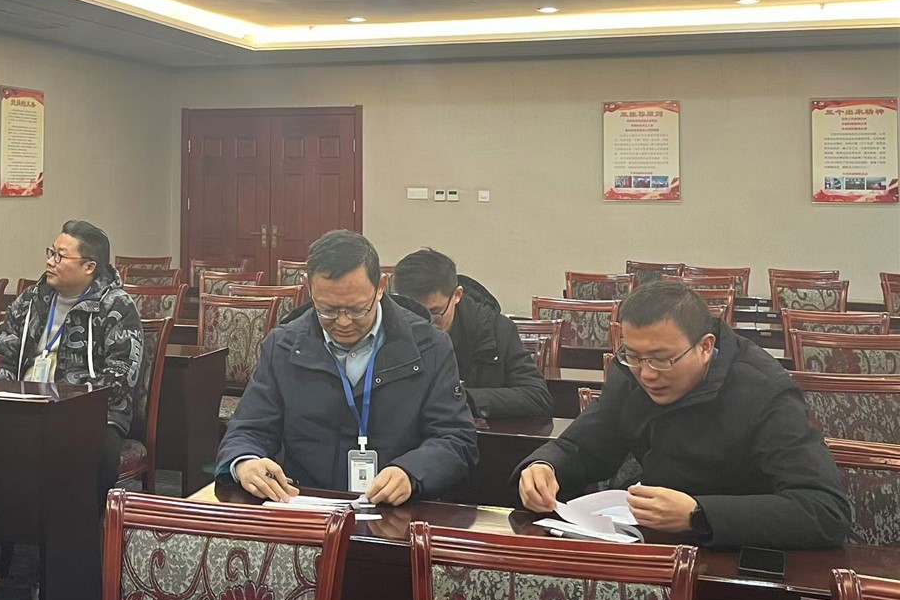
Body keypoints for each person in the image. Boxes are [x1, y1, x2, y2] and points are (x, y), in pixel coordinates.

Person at [515, 281, 851, 550]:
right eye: (634, 356)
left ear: (705, 347)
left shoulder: (765, 392)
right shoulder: (631, 372)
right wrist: (545, 466)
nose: (647, 374)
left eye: (662, 360)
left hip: (738, 551)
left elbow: (824, 510)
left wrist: (698, 513)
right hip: (653, 542)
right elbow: (586, 446)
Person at [216, 230, 478, 506]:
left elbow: (456, 439)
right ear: (307, 287)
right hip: (307, 504)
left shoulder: (429, 347)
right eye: (327, 310)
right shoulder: (282, 346)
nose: (343, 322)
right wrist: (245, 461)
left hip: (397, 510)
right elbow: (248, 430)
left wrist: (412, 473)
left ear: (381, 286)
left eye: (357, 309)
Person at [0, 219, 143, 600]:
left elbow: (122, 375)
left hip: (91, 415)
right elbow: (0, 350)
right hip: (25, 406)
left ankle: (71, 569)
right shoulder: (32, 299)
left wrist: (72, 401)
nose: (50, 262)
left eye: (60, 256)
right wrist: (2, 385)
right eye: (50, 253)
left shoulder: (115, 305)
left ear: (89, 266)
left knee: (92, 457)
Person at [391, 249, 552, 419]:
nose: (426, 322)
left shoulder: (495, 330)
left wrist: (461, 397)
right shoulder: (387, 330)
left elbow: (537, 398)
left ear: (457, 295)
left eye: (435, 312)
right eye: (413, 313)